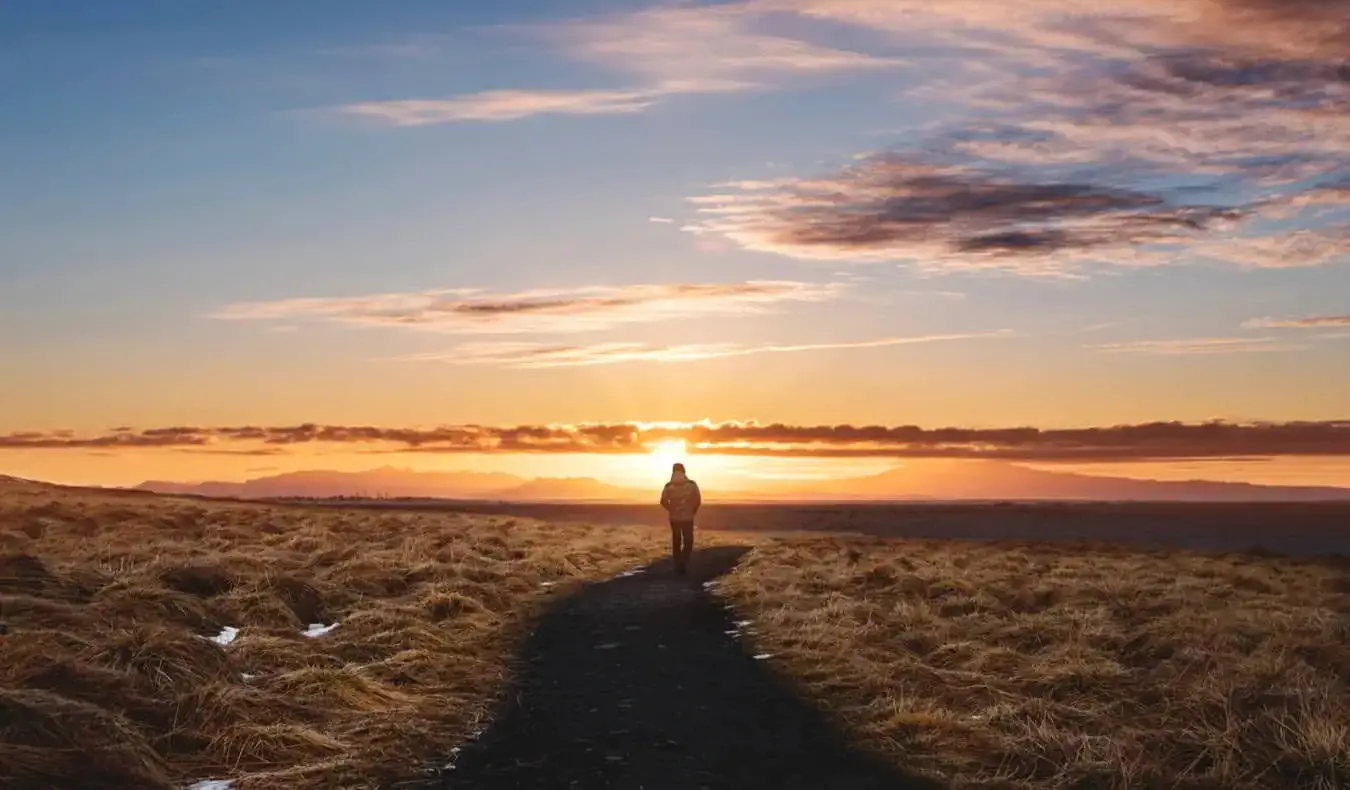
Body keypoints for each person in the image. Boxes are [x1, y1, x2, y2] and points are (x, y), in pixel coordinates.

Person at [659, 462, 702, 574]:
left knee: (676, 540)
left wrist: (671, 509)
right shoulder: (692, 484)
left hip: (674, 518)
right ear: (684, 471)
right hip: (688, 516)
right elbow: (697, 499)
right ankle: (683, 560)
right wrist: (692, 510)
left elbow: (663, 501)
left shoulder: (668, 486)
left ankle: (678, 564)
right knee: (688, 540)